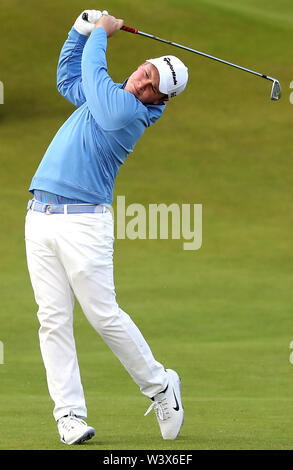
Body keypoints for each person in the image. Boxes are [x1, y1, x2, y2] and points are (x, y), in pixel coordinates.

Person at [25, 10, 188, 445]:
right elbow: (67, 79)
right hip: (39, 217)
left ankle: (160, 386)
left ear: (160, 102)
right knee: (52, 320)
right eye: (145, 71)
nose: (143, 81)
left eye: (153, 86)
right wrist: (79, 29)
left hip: (83, 224)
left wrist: (101, 33)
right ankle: (70, 417)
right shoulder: (107, 96)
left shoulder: (128, 114)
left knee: (103, 315)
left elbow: (94, 76)